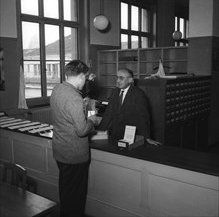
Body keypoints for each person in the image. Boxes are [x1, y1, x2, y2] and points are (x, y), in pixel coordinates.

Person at [50, 60, 99, 217]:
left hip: (61, 150)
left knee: (66, 190)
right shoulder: (74, 97)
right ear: (80, 76)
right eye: (85, 78)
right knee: (76, 197)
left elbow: (66, 114)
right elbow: (82, 130)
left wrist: (81, 105)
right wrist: (93, 119)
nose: (85, 82)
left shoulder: (58, 88)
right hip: (74, 155)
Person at [98, 68, 150, 141]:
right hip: (115, 133)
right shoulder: (115, 92)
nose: (118, 81)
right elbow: (108, 113)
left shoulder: (138, 94)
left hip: (131, 135)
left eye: (121, 78)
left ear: (130, 80)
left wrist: (146, 137)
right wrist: (99, 131)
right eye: (117, 77)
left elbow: (143, 117)